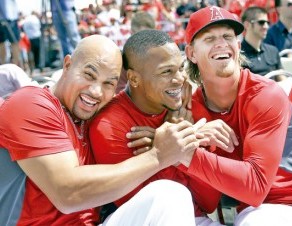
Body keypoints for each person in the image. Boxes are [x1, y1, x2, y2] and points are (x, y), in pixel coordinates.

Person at [0, 34, 202, 225]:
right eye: (89, 75)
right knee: (169, 195)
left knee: (170, 197)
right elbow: (68, 194)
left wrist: (174, 110)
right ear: (67, 65)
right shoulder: (30, 103)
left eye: (108, 83)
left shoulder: (92, 110)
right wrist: (158, 156)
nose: (96, 91)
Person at [90, 29, 230, 225]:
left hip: (196, 218)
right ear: (134, 79)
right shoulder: (109, 125)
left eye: (180, 68)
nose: (180, 79)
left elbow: (208, 202)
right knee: (170, 195)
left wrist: (178, 148)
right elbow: (147, 209)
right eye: (166, 71)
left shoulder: (190, 108)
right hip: (140, 220)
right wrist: (168, 149)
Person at [184, 6, 292, 225]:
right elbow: (207, 202)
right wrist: (194, 141)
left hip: (290, 203)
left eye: (228, 36)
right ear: (191, 53)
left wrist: (181, 151)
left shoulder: (265, 94)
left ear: (238, 45)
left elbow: (255, 188)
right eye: (209, 38)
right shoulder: (190, 108)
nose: (221, 43)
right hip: (247, 212)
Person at [115, 11, 156, 94]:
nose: (146, 40)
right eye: (141, 36)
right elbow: (120, 93)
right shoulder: (123, 59)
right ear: (132, 33)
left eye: (150, 36)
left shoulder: (159, 57)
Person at [241, 6, 285, 81]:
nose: (266, 26)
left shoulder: (273, 51)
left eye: (268, 23)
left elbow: (282, 80)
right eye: (261, 22)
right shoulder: (238, 54)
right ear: (247, 25)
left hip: (274, 91)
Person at [0, 0, 22, 66]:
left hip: (12, 17)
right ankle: (3, 67)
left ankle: (16, 66)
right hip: (2, 18)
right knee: (1, 43)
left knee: (15, 42)